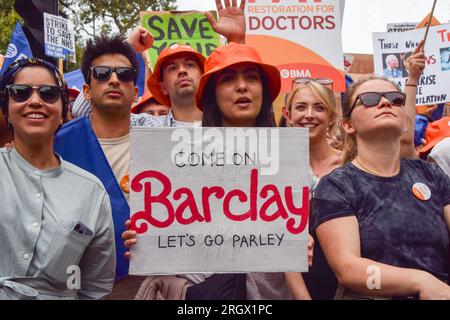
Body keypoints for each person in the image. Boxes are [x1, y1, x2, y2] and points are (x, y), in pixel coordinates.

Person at [313, 75, 450, 300]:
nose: (385, 102)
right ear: (348, 125)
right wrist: (421, 282)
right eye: (369, 99)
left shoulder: (431, 175)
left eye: (396, 99)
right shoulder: (336, 186)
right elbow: (348, 270)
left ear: (406, 121)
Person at [54, 34, 163, 299]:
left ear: (135, 92)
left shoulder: (163, 141)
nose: (114, 80)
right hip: (78, 285)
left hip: (150, 283)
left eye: (124, 74)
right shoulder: (59, 144)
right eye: (102, 74)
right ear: (87, 90)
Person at [0, 58, 116, 299]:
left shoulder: (91, 191)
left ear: (63, 112)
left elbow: (95, 285)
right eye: (20, 93)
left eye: (48, 93)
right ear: (7, 111)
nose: (35, 101)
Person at [282, 78, 342, 299]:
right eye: (301, 107)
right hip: (302, 286)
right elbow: (285, 249)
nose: (309, 115)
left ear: (332, 117)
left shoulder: (351, 164)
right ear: (287, 114)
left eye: (319, 107)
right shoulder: (280, 170)